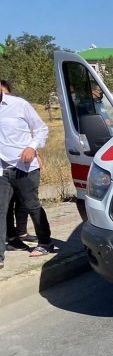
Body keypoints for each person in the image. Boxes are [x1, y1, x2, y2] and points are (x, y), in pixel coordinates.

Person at [0, 82, 53, 266]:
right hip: (1, 169)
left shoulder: (19, 104)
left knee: (32, 205)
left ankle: (45, 242)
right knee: (1, 210)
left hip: (24, 166)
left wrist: (32, 147)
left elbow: (41, 129)